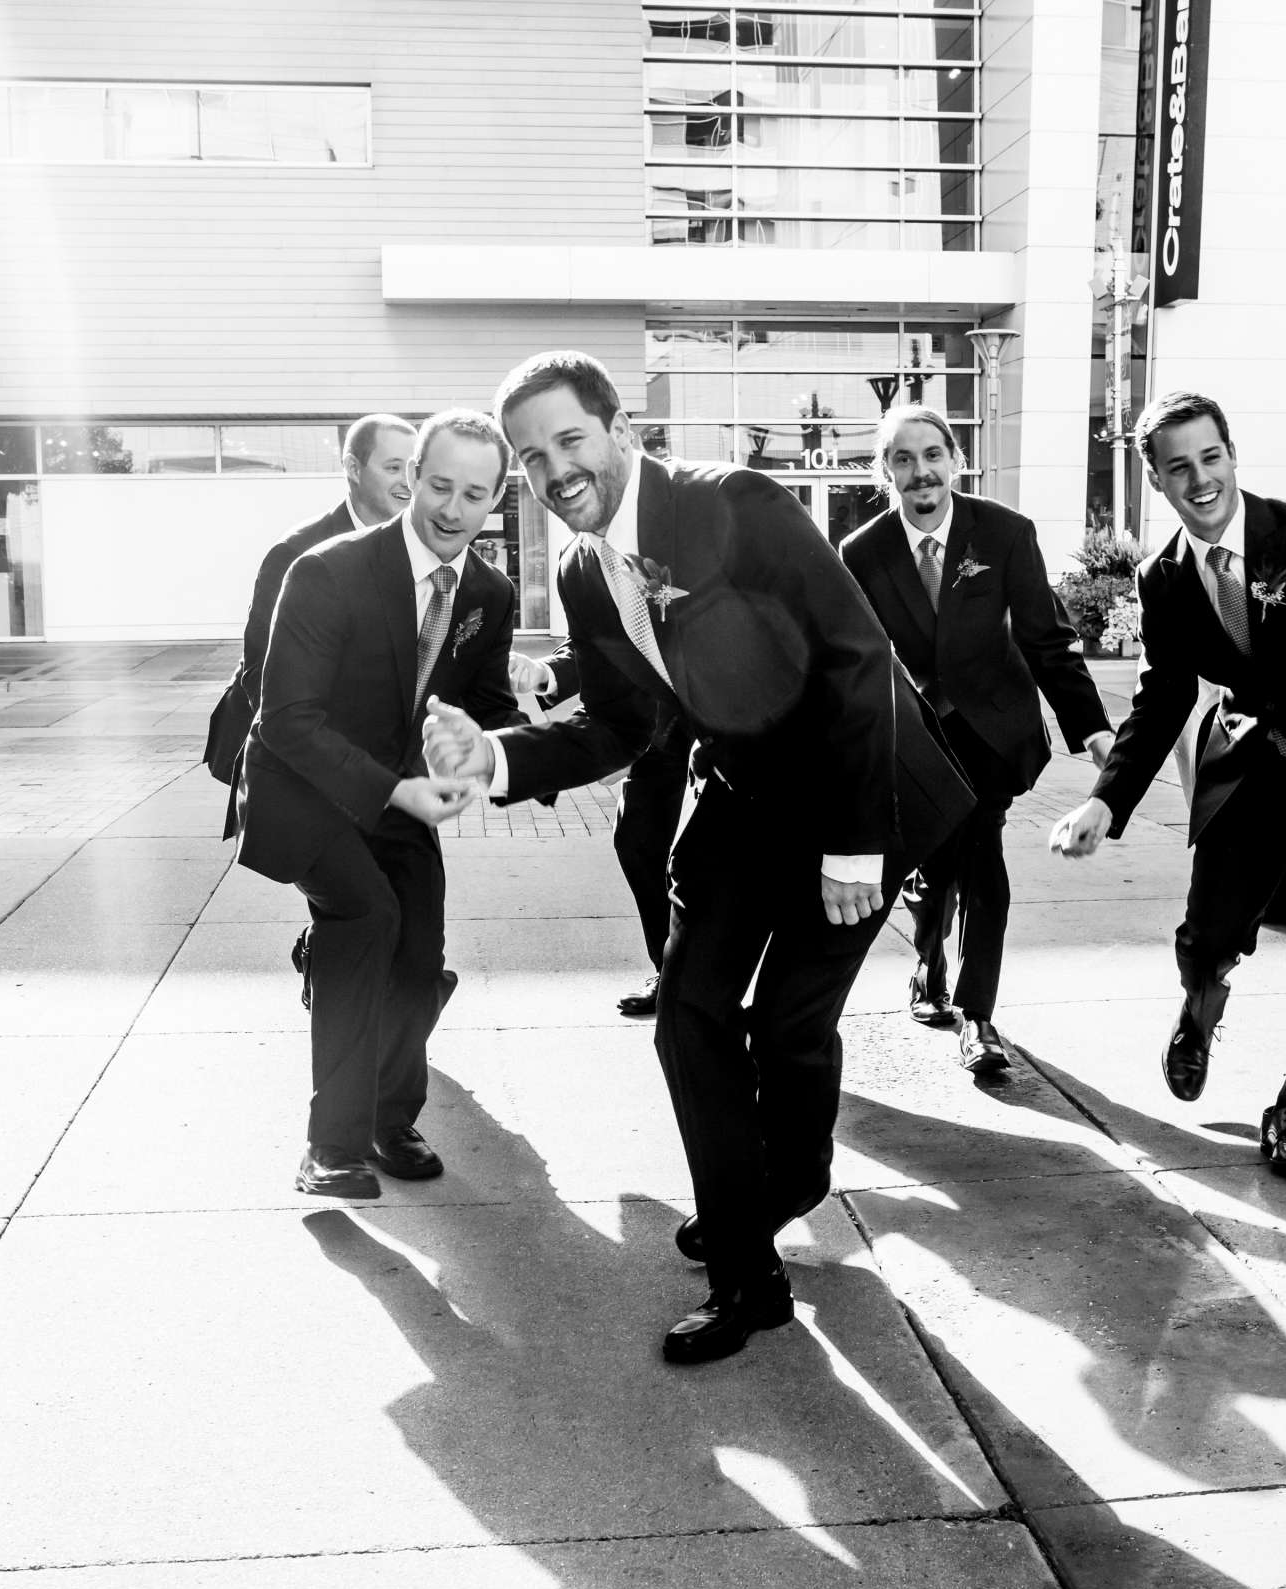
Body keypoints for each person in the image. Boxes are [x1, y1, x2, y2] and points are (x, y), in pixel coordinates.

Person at [425, 351, 970, 1363]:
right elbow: (624, 721)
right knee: (689, 1019)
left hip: (860, 789)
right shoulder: (585, 569)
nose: (556, 472)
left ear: (617, 427)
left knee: (789, 1029)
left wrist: (854, 845)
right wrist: (501, 760)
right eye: (533, 459)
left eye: (570, 441)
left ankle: (787, 1178)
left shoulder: (740, 502)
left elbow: (857, 657)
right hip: (739, 798)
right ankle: (746, 1272)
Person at [1049, 391, 1286, 1182]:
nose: (1201, 480)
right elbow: (1162, 696)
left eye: (1211, 457)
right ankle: (1200, 1003)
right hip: (1253, 757)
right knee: (1207, 936)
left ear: (1233, 454)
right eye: (1180, 467)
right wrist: (1104, 800)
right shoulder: (1162, 579)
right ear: (1156, 480)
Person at [234, 409, 523, 1200]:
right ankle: (329, 1148)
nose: (451, 509)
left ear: (496, 498)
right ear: (409, 478)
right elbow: (286, 719)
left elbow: (489, 703)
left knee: (420, 950)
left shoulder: (489, 593)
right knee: (366, 919)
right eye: (437, 485)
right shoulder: (327, 570)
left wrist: (479, 756)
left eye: (473, 494)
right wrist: (393, 787)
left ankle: (391, 1121)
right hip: (304, 790)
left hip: (400, 800)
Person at [838, 404, 1114, 1075]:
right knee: (934, 875)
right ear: (886, 472)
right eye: (903, 459)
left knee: (983, 862)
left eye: (932, 454)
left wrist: (1098, 734)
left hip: (993, 731)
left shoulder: (1004, 533)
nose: (920, 471)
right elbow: (856, 662)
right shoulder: (862, 553)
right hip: (918, 740)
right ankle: (927, 963)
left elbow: (1046, 642)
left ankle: (978, 1017)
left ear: (955, 460)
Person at [207, 413, 417, 837]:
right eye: (393, 467)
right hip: (314, 778)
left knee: (414, 901)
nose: (407, 482)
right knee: (363, 904)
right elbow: (259, 676)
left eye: (414, 469)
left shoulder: (421, 549)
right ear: (353, 469)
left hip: (396, 781)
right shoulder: (297, 553)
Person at [509, 644, 689, 1017]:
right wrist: (544, 672)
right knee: (637, 842)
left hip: (723, 721)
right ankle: (669, 972)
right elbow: (595, 636)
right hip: (652, 727)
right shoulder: (594, 584)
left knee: (707, 858)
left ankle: (706, 984)